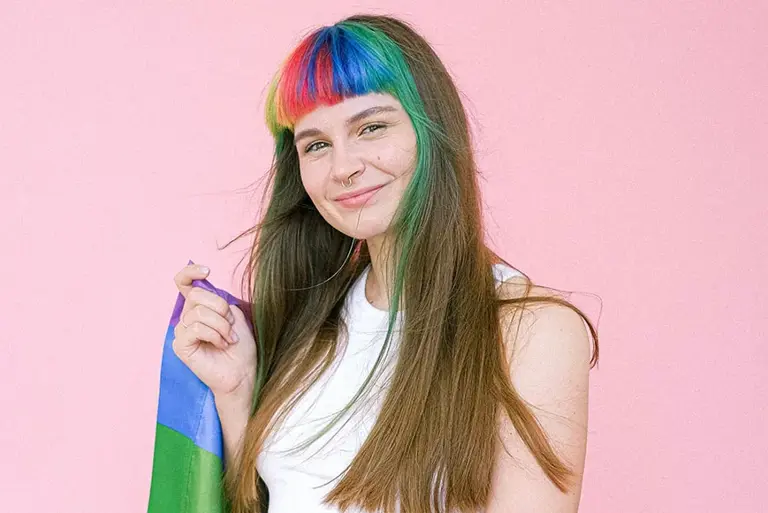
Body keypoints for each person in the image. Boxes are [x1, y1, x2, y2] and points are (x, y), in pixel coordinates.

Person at [171, 13, 599, 513]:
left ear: (432, 129)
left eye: (371, 127)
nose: (343, 167)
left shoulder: (529, 331)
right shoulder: (312, 320)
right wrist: (238, 390)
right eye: (316, 145)